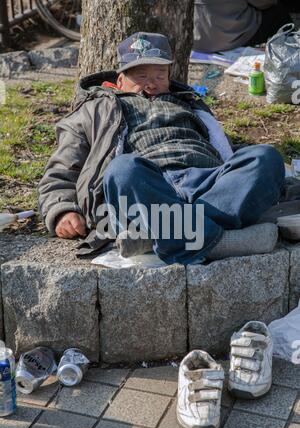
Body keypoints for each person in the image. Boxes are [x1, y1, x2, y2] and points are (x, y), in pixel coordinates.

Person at [38, 32, 285, 265]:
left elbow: (225, 152)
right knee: (122, 168)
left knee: (265, 157)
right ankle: (220, 241)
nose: (151, 84)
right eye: (141, 76)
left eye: (159, 75)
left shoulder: (189, 104)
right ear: (120, 79)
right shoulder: (93, 110)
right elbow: (61, 170)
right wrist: (61, 210)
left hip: (205, 183)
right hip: (146, 187)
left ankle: (159, 234)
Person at [193, 0, 293, 53]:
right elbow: (265, 3)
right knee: (278, 11)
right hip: (233, 38)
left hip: (199, 40)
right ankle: (291, 46)